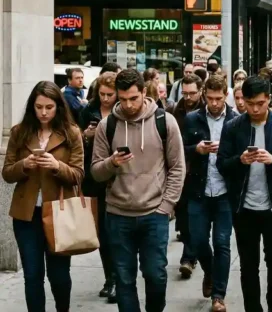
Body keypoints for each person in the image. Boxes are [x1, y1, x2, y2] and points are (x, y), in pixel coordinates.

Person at [91, 69, 186, 312]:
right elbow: (96, 172)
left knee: (155, 275)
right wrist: (112, 163)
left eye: (133, 98)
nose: (128, 104)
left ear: (144, 92)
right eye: (122, 99)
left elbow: (177, 168)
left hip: (154, 213)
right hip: (118, 213)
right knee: (123, 279)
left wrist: (166, 206)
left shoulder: (165, 121)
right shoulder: (107, 125)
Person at [217, 76, 272, 312]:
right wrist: (240, 160)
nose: (254, 108)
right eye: (250, 103)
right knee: (248, 265)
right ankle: (253, 307)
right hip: (244, 208)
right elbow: (222, 164)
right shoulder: (233, 127)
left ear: (269, 100)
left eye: (260, 103)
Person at [2, 81, 85, 312]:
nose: (44, 112)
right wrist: (24, 164)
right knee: (32, 275)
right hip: (26, 216)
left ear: (58, 106)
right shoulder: (20, 132)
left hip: (60, 214)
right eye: (39, 107)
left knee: (59, 275)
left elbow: (78, 175)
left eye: (49, 107)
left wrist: (57, 166)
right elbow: (7, 173)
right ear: (32, 107)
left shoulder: (71, 133)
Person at [181, 74, 237, 312]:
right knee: (198, 240)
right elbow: (179, 150)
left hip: (225, 191)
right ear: (204, 96)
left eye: (219, 98)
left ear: (226, 96)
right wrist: (198, 149)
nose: (214, 103)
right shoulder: (192, 119)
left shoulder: (236, 120)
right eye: (210, 98)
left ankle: (218, 295)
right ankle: (209, 271)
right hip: (198, 190)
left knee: (222, 243)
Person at [79, 72, 119, 303]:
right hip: (95, 178)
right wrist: (86, 136)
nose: (105, 99)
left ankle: (118, 277)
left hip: (117, 176)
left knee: (115, 231)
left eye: (109, 95)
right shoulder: (88, 111)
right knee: (102, 231)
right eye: (102, 94)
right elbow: (76, 141)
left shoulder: (121, 111)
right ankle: (110, 278)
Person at [173, 74, 206, 277]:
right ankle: (190, 250)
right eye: (184, 93)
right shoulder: (175, 112)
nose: (188, 97)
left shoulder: (205, 112)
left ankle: (189, 257)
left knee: (196, 219)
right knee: (183, 220)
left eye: (192, 93)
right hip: (180, 172)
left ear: (200, 91)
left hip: (200, 172)